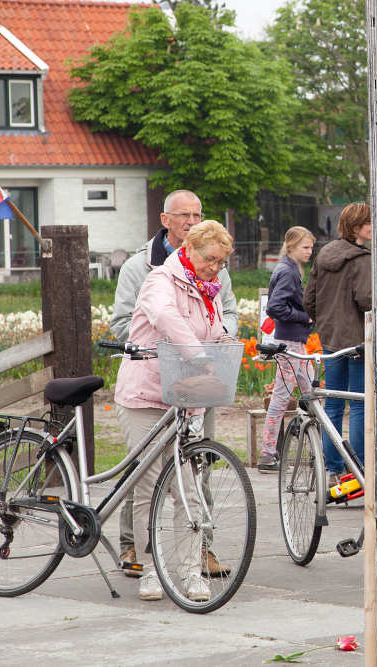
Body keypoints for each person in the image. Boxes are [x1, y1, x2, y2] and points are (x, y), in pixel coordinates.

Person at [110, 190, 236, 579]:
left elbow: (220, 322)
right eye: (210, 260)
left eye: (221, 262)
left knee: (190, 484)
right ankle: (146, 563)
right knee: (147, 481)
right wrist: (198, 353)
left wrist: (227, 346)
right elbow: (162, 317)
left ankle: (190, 569)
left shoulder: (210, 284)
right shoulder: (152, 274)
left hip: (189, 392)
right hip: (148, 388)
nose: (216, 267)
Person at [304, 202, 372, 486]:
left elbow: (309, 300)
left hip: (330, 341)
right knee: (358, 406)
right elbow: (367, 301)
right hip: (356, 343)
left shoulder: (324, 255)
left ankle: (331, 470)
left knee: (332, 404)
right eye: (369, 223)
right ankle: (360, 471)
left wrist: (324, 323)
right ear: (357, 228)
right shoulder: (362, 259)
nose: (373, 227)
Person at [258, 226, 316, 471]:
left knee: (313, 397)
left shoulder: (290, 269)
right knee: (282, 399)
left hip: (296, 343)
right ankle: (268, 455)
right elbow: (275, 307)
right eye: (305, 247)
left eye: (312, 247)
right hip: (291, 343)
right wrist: (305, 317)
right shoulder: (288, 272)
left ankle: (318, 454)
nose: (310, 252)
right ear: (291, 245)